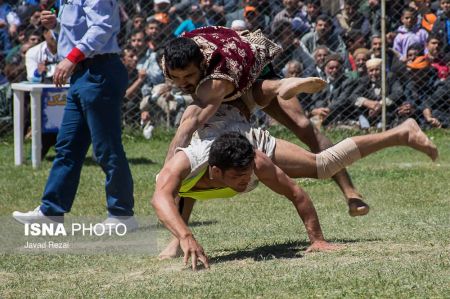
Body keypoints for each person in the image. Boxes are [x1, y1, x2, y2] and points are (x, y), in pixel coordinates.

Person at [153, 104, 438, 268]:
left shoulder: (258, 162)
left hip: (243, 137)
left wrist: (317, 240)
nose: (245, 184)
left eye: (247, 178)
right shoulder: (184, 164)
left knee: (324, 165)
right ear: (215, 171)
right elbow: (161, 198)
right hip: (215, 140)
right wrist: (184, 236)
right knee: (179, 192)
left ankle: (402, 133)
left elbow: (296, 193)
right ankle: (176, 241)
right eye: (239, 179)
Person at [163, 27, 371, 216]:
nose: (182, 83)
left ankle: (350, 192)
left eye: (189, 76)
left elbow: (187, 127)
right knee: (198, 149)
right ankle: (280, 85)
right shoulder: (172, 59)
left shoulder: (218, 77)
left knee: (304, 127)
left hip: (247, 70)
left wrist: (166, 176)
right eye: (176, 78)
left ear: (201, 64)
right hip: (232, 68)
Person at [13, 0, 137, 230]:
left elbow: (102, 26)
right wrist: (57, 25)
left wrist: (71, 58)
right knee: (67, 146)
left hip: (99, 71)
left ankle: (122, 215)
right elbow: (82, 27)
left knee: (106, 148)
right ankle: (51, 212)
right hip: (83, 75)